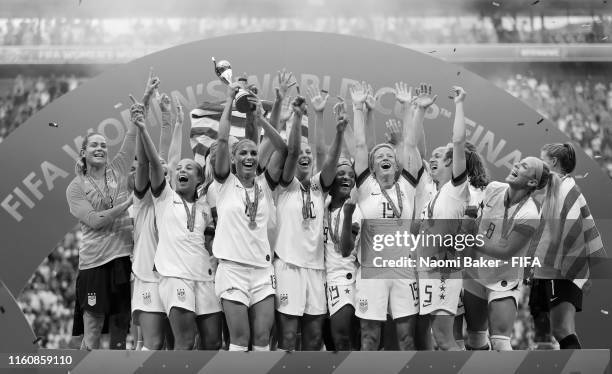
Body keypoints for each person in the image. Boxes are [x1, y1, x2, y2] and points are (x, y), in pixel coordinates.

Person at [351, 81, 433, 350]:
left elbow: (409, 145)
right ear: (372, 167)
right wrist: (357, 107)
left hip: (403, 270)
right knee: (369, 338)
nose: (384, 156)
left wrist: (413, 109)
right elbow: (361, 145)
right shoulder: (365, 187)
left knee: (406, 339)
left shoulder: (406, 187)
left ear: (396, 165)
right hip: (372, 271)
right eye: (379, 156)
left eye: (389, 154)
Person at [136, 94, 222, 350]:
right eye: (179, 169)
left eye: (189, 168)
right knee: (184, 341)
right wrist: (143, 128)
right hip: (175, 277)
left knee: (213, 343)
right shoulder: (164, 198)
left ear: (199, 179)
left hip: (204, 278)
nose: (182, 170)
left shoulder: (206, 206)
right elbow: (156, 163)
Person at [211, 79, 287, 352]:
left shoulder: (265, 184)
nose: (249, 156)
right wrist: (230, 102)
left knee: (262, 341)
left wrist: (260, 119)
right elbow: (222, 138)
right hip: (232, 270)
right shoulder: (224, 183)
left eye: (253, 153)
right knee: (240, 341)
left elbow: (283, 149)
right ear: (233, 158)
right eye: (242, 152)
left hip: (262, 271)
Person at [415, 86, 489, 350]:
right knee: (441, 338)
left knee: (445, 340)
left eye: (444, 153)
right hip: (431, 269)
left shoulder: (457, 188)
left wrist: (459, 104)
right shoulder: (437, 192)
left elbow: (458, 140)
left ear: (451, 161)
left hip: (444, 269)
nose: (438, 156)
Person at [274, 93, 346, 351]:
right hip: (288, 266)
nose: (305, 155)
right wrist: (297, 116)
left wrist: (339, 132)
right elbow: (291, 152)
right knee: (289, 338)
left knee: (314, 339)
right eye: (301, 152)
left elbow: (328, 157)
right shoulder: (284, 184)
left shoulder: (318, 187)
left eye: (309, 153)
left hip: (316, 269)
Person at [66, 103, 139, 350]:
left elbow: (131, 138)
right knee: (93, 333)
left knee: (120, 331)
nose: (101, 148)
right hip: (93, 265)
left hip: (121, 260)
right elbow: (96, 221)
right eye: (95, 145)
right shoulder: (76, 187)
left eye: (104, 145)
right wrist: (128, 202)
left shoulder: (118, 170)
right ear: (84, 153)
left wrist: (142, 108)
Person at [463, 156, 551, 351]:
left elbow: (504, 252)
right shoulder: (494, 189)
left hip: (504, 280)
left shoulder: (529, 214)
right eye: (518, 163)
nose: (516, 166)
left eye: (523, 166)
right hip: (476, 273)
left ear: (532, 182)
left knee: (501, 343)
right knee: (475, 340)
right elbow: (476, 221)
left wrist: (470, 238)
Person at [529, 142, 604, 349]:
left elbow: (569, 234)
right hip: (545, 270)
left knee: (562, 329)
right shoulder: (554, 189)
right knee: (545, 333)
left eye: (542, 159)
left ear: (553, 162)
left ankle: (578, 369)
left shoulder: (567, 190)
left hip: (559, 270)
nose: (540, 164)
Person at [131, 81, 185, 350]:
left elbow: (169, 159)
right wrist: (142, 120)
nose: (163, 169)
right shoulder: (141, 198)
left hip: (174, 275)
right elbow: (148, 161)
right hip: (148, 276)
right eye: (158, 167)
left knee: (174, 346)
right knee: (150, 345)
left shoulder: (172, 197)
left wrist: (171, 121)